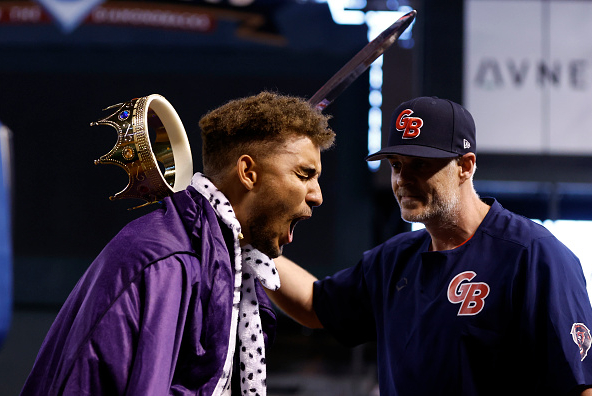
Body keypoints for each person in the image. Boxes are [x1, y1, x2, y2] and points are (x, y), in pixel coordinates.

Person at [267, 96, 592, 396]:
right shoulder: (393, 259)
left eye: (420, 164)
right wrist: (253, 246)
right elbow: (315, 305)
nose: (402, 179)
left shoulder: (533, 254)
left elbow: (579, 387)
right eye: (396, 164)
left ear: (465, 166)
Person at [20, 91, 335, 396]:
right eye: (305, 175)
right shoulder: (170, 261)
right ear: (248, 173)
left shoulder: (225, 261)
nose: (317, 195)